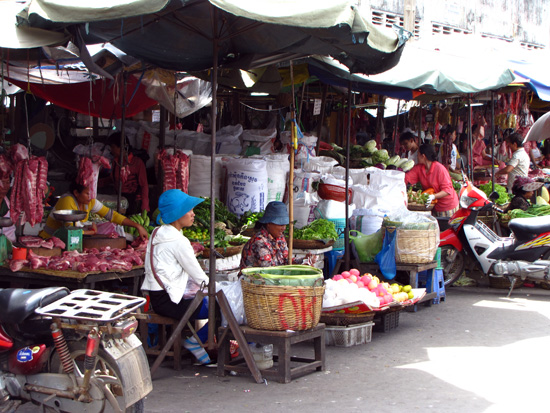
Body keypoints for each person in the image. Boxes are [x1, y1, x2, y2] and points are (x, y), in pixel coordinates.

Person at [141, 189, 213, 365]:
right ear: (178, 213)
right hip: (170, 302)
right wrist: (217, 288)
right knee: (218, 308)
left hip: (156, 298)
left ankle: (195, 342)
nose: (193, 214)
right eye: (189, 210)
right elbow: (199, 276)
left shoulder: (157, 233)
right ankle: (195, 342)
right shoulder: (179, 241)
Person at [39, 181, 148, 240]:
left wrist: (138, 226)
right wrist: (92, 231)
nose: (90, 196)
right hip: (50, 241)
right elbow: (71, 230)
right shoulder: (67, 200)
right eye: (87, 193)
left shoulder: (90, 201)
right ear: (76, 193)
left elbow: (112, 215)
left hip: (68, 241)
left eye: (91, 193)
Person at [405, 144, 459, 217]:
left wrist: (433, 196)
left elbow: (447, 190)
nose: (416, 157)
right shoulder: (419, 168)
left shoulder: (439, 169)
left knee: (444, 227)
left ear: (423, 156)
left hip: (447, 206)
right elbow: (407, 178)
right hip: (433, 206)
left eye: (418, 155)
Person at [107, 132, 149, 215]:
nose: (111, 150)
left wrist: (145, 206)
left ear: (122, 147)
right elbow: (113, 179)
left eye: (113, 147)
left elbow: (144, 185)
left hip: (134, 202)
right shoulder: (116, 161)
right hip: (120, 201)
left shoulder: (137, 163)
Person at [240, 201, 291, 269]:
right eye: (280, 224)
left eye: (285, 224)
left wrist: (303, 260)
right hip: (254, 278)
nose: (284, 228)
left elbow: (287, 259)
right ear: (268, 223)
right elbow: (268, 269)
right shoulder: (259, 241)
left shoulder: (280, 238)